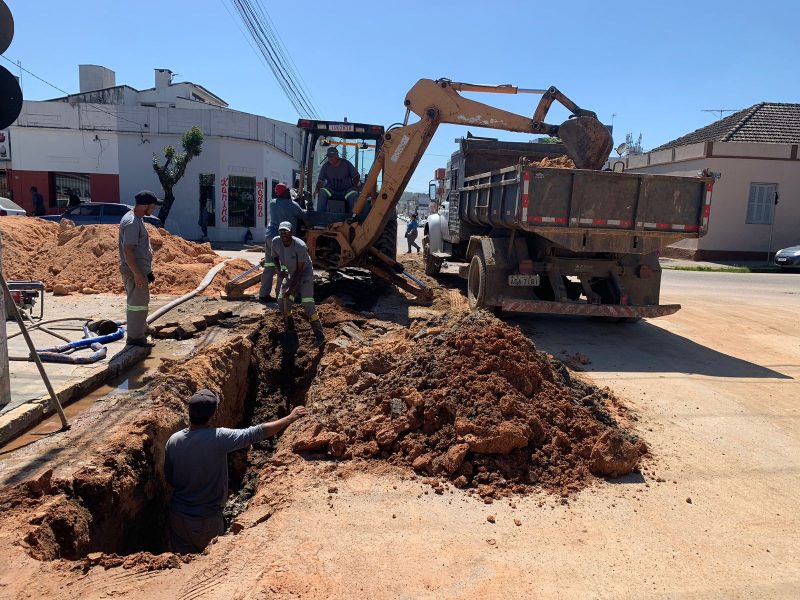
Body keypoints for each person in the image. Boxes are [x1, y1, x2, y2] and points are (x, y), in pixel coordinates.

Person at [164, 388, 307, 554]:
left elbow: (170, 479)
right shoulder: (218, 437)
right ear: (213, 415)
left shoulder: (173, 440)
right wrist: (289, 418)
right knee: (208, 565)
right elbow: (255, 433)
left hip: (177, 518)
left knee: (181, 567)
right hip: (206, 521)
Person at [272, 221, 325, 347]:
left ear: (291, 232)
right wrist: (279, 270)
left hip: (304, 273)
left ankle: (319, 336)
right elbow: (274, 257)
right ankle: (290, 330)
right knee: (281, 301)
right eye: (281, 231)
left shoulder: (300, 246)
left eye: (286, 231)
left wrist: (290, 289)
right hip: (290, 272)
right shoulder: (275, 242)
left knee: (307, 302)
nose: (283, 234)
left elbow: (300, 272)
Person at [118, 190, 161, 348]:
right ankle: (136, 338)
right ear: (145, 206)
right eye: (153, 206)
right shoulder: (132, 222)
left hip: (139, 269)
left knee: (141, 301)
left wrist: (146, 272)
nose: (154, 209)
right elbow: (128, 250)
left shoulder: (137, 218)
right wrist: (137, 274)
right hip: (133, 271)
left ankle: (140, 328)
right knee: (137, 304)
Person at [259, 182, 306, 302]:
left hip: (269, 237)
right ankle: (280, 296)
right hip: (281, 239)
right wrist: (305, 205)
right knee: (283, 267)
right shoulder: (292, 205)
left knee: (269, 266)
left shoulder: (272, 202)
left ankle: (263, 295)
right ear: (285, 192)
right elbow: (303, 215)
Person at [314, 146, 360, 213]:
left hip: (346, 191)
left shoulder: (347, 164)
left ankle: (353, 217)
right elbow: (321, 181)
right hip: (331, 191)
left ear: (337, 155)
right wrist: (317, 189)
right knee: (322, 191)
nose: (330, 159)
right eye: (329, 157)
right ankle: (320, 215)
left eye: (332, 156)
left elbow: (356, 176)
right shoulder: (325, 166)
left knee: (353, 193)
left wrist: (354, 186)